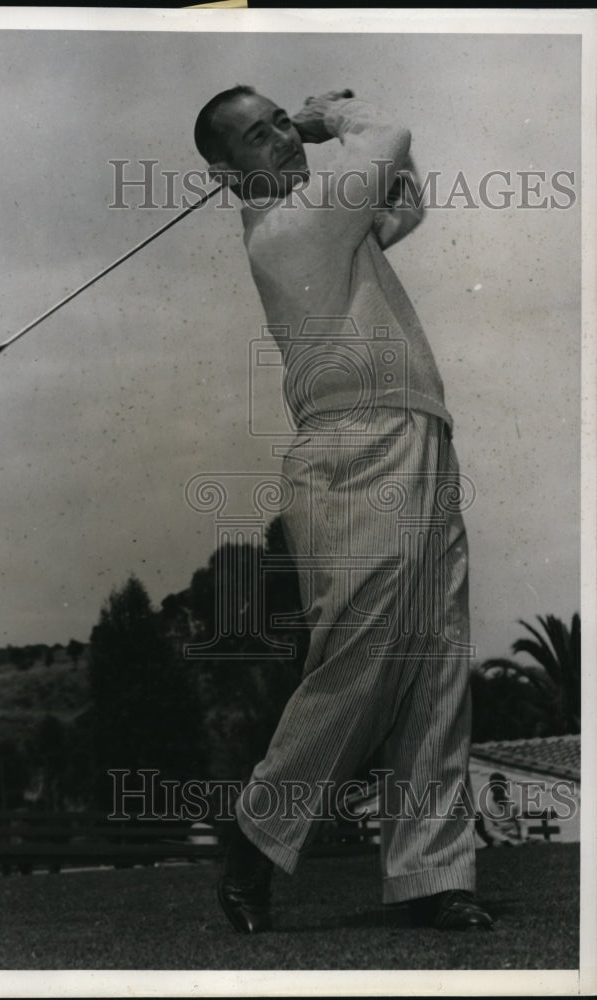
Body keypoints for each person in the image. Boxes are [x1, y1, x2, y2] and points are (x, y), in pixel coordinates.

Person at [193, 85, 493, 932]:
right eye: (259, 136)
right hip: (350, 451)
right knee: (359, 658)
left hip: (418, 433)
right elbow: (390, 135)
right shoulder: (294, 226)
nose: (283, 140)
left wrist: (324, 139)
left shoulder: (329, 219)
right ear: (226, 173)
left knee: (434, 655)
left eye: (282, 121)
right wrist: (328, 118)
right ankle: (255, 841)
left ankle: (433, 876)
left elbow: (406, 199)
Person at [476, 772, 528, 848]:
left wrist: (524, 837)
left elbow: (522, 824)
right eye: (495, 785)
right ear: (491, 787)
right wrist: (506, 840)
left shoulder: (514, 805)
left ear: (505, 786)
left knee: (542, 843)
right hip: (501, 841)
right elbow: (489, 830)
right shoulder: (487, 807)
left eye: (501, 785)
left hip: (517, 839)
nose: (498, 788)